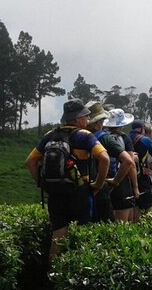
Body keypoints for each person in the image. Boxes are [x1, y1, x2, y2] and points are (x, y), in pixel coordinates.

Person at [25, 99, 109, 258]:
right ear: (78, 119)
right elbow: (104, 158)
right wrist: (98, 184)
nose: (87, 119)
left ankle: (52, 275)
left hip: (55, 193)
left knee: (58, 234)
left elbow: (30, 162)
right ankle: (77, 274)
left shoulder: (50, 135)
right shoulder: (84, 135)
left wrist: (41, 183)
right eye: (85, 116)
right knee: (81, 235)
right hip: (80, 191)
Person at [86, 102, 139, 223]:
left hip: (89, 183)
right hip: (115, 183)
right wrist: (133, 187)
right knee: (120, 223)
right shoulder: (121, 138)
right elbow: (129, 163)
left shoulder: (84, 136)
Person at [103, 108, 140, 222]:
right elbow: (131, 164)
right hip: (121, 180)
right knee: (124, 223)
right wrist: (135, 187)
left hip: (103, 179)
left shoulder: (102, 137)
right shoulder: (124, 138)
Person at [129, 119, 152, 215]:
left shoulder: (126, 138)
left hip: (128, 175)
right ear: (142, 129)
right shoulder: (145, 140)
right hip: (142, 176)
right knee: (148, 204)